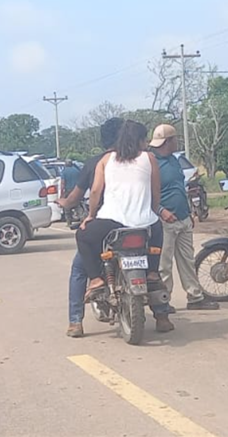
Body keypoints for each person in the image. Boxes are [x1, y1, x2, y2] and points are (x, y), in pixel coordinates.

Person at [75, 120, 174, 333]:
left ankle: (95, 280)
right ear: (139, 140)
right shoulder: (149, 159)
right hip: (145, 224)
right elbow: (156, 192)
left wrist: (90, 216)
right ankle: (153, 274)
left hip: (112, 223)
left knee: (82, 236)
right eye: (144, 138)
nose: (147, 143)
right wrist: (153, 210)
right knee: (157, 233)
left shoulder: (106, 160)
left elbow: (95, 192)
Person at [57, 117, 123, 338]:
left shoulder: (96, 163)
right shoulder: (138, 160)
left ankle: (75, 321)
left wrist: (64, 203)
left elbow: (77, 196)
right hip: (135, 222)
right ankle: (161, 313)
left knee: (79, 268)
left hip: (103, 225)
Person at [149, 124, 219, 312]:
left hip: (182, 217)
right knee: (164, 264)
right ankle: (163, 301)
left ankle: (195, 296)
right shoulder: (151, 162)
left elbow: (180, 188)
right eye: (175, 139)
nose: (177, 142)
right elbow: (148, 193)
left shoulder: (174, 160)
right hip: (164, 220)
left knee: (187, 260)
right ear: (168, 141)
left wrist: (188, 212)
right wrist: (161, 210)